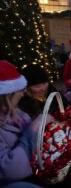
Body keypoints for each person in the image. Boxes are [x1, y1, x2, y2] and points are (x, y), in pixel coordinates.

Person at [0, 60, 45, 188]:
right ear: (6, 97)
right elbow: (10, 169)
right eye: (18, 90)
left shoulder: (18, 113)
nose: (22, 93)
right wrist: (33, 130)